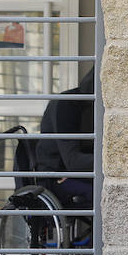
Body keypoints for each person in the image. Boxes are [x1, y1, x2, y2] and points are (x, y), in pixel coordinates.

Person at [34, 66, 95, 204]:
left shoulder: (93, 109)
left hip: (78, 172)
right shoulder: (66, 106)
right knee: (104, 193)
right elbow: (73, 161)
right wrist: (111, 161)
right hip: (56, 177)